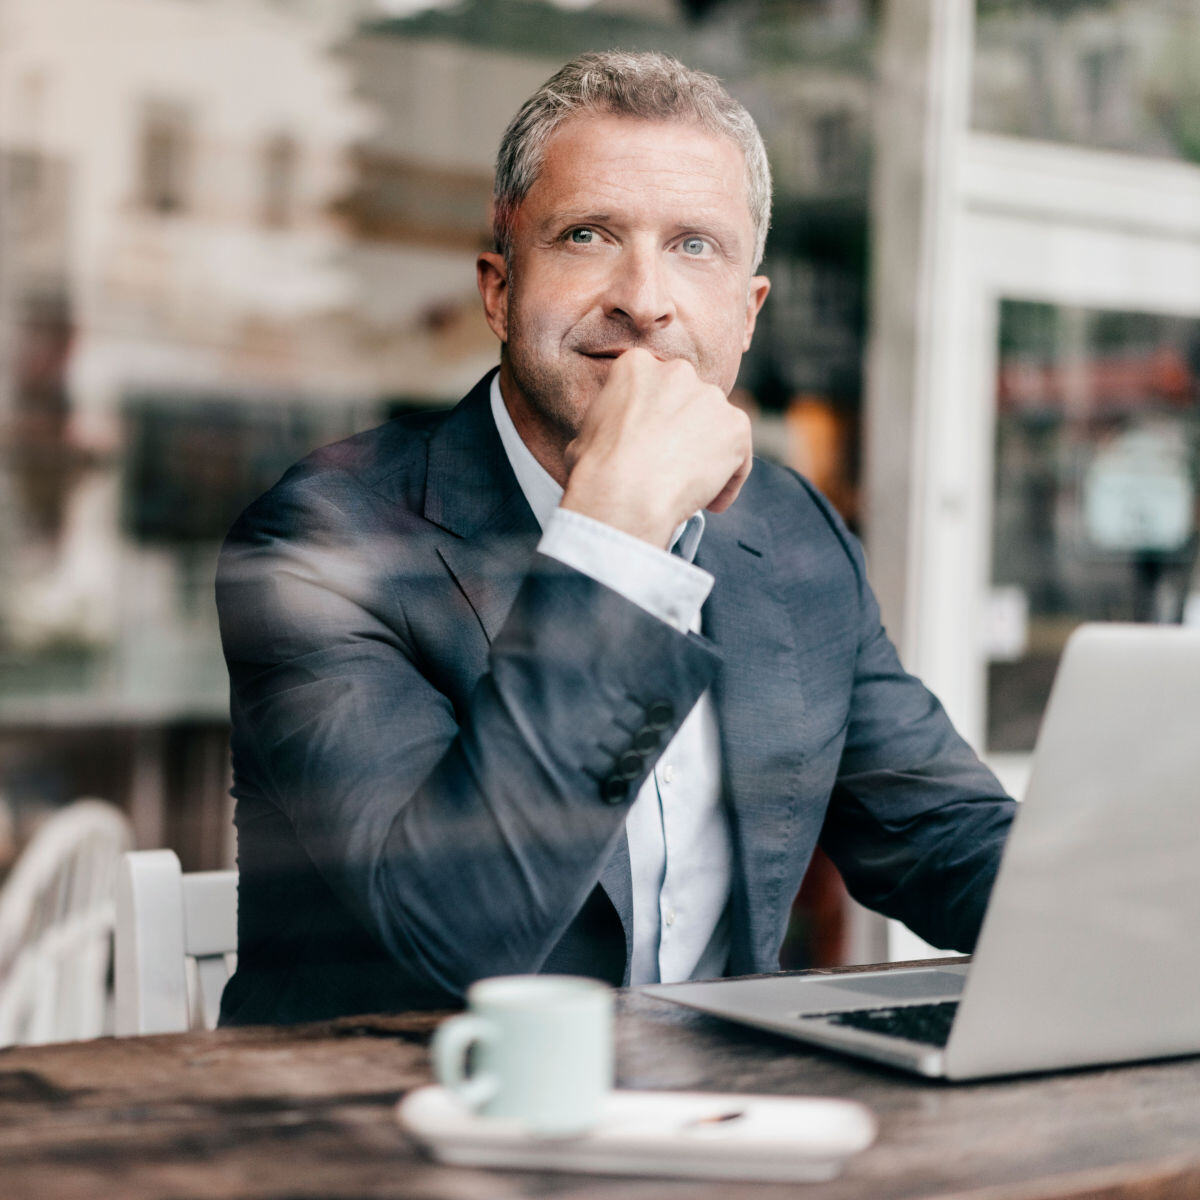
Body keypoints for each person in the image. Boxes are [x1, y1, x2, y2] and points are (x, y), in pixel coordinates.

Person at [216, 51, 1015, 1026]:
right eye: (590, 235)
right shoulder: (324, 540)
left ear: (747, 314)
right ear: (500, 291)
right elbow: (454, 937)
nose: (644, 298)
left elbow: (942, 836)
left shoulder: (792, 534)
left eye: (694, 247)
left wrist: (1138, 919)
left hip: (724, 1129)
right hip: (398, 1136)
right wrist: (619, 533)